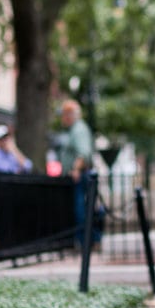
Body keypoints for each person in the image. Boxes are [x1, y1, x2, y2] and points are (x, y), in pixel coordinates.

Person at [57, 100, 97, 247]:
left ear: (69, 115)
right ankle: (85, 241)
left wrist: (76, 169)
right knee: (81, 209)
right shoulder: (75, 129)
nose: (62, 119)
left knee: (80, 210)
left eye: (63, 115)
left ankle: (85, 241)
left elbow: (84, 153)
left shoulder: (79, 129)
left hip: (80, 177)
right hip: (80, 176)